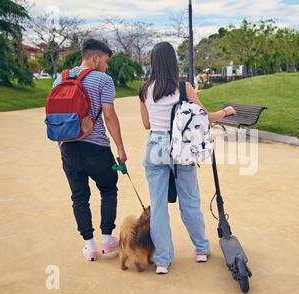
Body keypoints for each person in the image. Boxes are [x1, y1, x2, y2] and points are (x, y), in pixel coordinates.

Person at [138, 41, 236, 274]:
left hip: (155, 146)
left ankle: (162, 260)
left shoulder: (144, 90)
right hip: (180, 149)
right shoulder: (183, 87)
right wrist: (226, 111)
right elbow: (207, 118)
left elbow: (146, 124)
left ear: (153, 61)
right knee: (189, 200)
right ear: (173, 61)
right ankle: (201, 249)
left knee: (159, 206)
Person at [52, 39, 127, 261]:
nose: (106, 66)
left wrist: (63, 147)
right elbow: (109, 115)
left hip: (69, 148)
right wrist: (121, 148)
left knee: (79, 197)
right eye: (105, 61)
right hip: (96, 148)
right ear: (96, 58)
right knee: (108, 189)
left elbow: (56, 117)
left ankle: (89, 246)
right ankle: (106, 239)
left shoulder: (61, 78)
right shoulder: (103, 80)